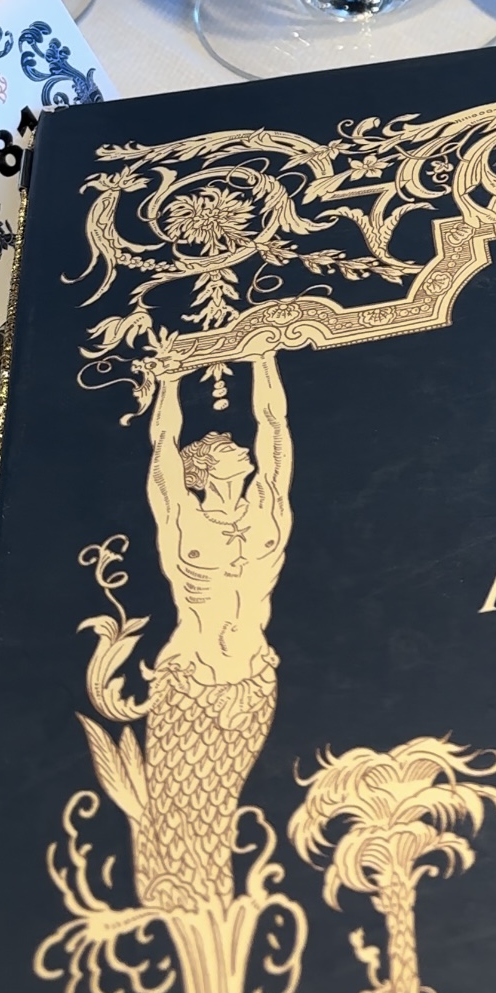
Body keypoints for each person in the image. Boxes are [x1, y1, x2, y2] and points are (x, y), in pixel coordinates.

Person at [139, 351, 293, 910]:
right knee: (175, 805)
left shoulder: (268, 508)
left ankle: (218, 907)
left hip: (253, 682)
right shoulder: (182, 519)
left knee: (221, 804)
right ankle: (175, 905)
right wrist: (169, 380)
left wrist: (264, 357)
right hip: (191, 681)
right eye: (224, 445)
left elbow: (273, 424)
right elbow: (162, 443)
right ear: (202, 469)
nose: (236, 442)